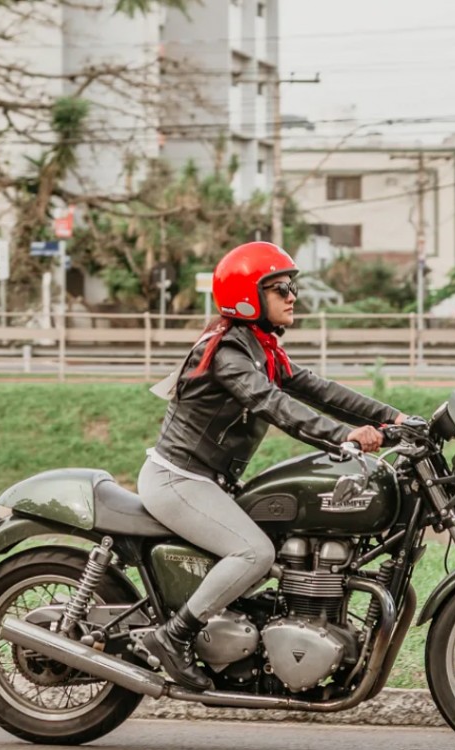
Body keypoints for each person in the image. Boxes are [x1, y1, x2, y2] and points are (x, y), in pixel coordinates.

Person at [138, 241, 407, 691]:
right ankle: (173, 636)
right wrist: (343, 436)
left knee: (276, 547)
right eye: (280, 288)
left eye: (292, 287)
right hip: (179, 479)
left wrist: (393, 417)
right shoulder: (228, 354)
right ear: (247, 297)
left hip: (210, 482)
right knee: (255, 553)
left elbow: (319, 389)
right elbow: (274, 404)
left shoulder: (259, 349)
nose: (292, 296)